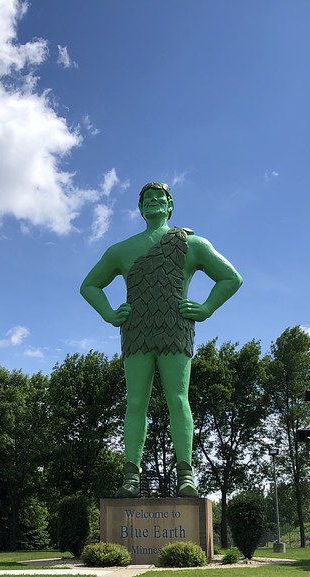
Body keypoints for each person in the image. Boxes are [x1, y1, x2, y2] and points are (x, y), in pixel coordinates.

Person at [80, 182, 242, 497]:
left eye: (160, 198)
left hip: (175, 329)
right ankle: (130, 476)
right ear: (140, 208)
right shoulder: (120, 250)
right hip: (136, 331)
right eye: (147, 199)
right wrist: (109, 314)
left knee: (178, 400)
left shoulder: (192, 243)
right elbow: (89, 285)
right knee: (135, 403)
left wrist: (207, 307)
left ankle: (186, 475)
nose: (153, 201)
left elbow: (231, 277)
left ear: (170, 206)